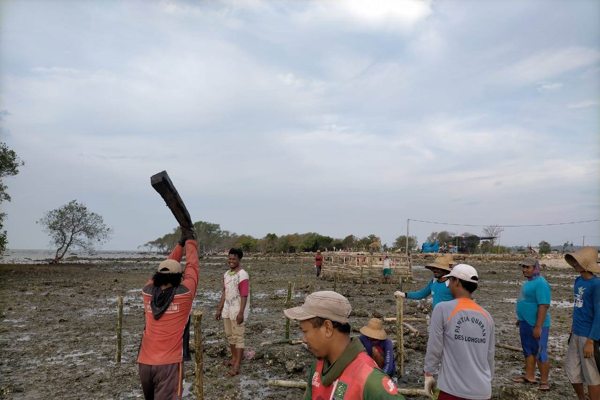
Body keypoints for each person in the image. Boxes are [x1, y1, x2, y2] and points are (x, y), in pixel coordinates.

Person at [284, 291, 405, 399]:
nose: (303, 339)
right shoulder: (318, 366)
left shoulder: (370, 381)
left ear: (327, 328)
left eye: (305, 331)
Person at [138, 228, 199, 400]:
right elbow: (192, 267)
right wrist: (190, 242)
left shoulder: (147, 292)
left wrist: (179, 244)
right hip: (169, 364)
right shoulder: (184, 294)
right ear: (178, 277)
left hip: (144, 363)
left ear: (157, 276)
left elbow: (167, 265)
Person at [423, 264, 495, 400]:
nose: (448, 284)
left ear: (457, 282)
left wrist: (428, 373)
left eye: (450, 280)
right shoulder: (487, 316)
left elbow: (435, 346)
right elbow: (490, 355)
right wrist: (488, 380)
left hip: (452, 390)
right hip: (482, 391)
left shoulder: (442, 309)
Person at [564, 246, 600, 400]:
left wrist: (591, 341)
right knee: (572, 370)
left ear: (586, 263)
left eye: (577, 260)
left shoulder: (597, 285)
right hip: (576, 333)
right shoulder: (578, 281)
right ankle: (581, 398)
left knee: (592, 375)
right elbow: (578, 308)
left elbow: (599, 314)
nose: (574, 263)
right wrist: (572, 330)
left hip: (588, 336)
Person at [512, 257, 551, 391]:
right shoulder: (528, 283)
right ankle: (530, 376)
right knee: (528, 350)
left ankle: (544, 381)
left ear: (535, 268)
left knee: (540, 352)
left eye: (528, 267)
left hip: (537, 325)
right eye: (523, 267)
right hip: (525, 322)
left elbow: (544, 305)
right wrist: (520, 318)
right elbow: (526, 301)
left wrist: (539, 326)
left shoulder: (541, 283)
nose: (524, 270)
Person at [215, 247, 250, 377]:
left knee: (238, 337)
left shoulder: (242, 275)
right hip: (227, 309)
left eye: (234, 258)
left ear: (239, 259)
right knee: (230, 335)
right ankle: (234, 358)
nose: (231, 261)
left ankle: (237, 366)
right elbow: (225, 292)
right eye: (229, 258)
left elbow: (244, 295)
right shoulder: (226, 274)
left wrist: (241, 312)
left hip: (237, 309)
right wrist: (219, 308)